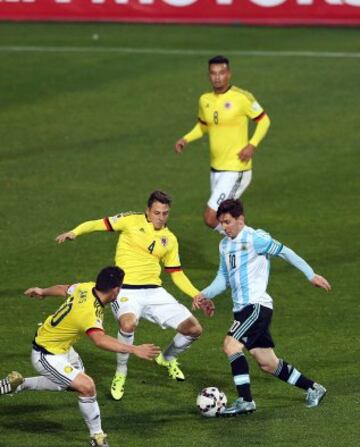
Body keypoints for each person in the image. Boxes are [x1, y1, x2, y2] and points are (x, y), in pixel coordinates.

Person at [55, 191, 212, 401]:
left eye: (165, 213)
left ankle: (167, 358)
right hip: (125, 290)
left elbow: (176, 272)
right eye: (157, 212)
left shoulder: (170, 239)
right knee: (128, 325)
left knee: (194, 329)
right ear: (148, 211)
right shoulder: (130, 220)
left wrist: (196, 294)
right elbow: (99, 223)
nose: (161, 217)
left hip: (154, 291)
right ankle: (121, 373)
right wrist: (75, 232)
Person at [193, 199, 331, 416]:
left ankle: (245, 401)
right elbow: (223, 278)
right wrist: (203, 294)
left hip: (256, 306)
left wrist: (310, 274)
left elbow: (286, 251)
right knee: (268, 363)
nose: (224, 227)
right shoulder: (225, 245)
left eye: (228, 222)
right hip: (242, 310)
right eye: (221, 223)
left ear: (241, 219)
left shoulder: (255, 239)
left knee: (230, 346)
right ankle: (313, 388)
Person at [0, 266, 160, 447]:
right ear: (115, 289)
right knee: (86, 386)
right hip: (47, 355)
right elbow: (99, 340)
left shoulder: (87, 287)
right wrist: (134, 349)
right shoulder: (89, 313)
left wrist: (42, 291)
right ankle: (97, 436)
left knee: (71, 383)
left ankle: (19, 384)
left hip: (62, 347)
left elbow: (63, 289)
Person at [175, 55, 271, 233]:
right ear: (208, 75)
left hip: (236, 169)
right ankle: (244, 250)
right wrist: (186, 139)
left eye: (221, 72)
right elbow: (204, 126)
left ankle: (252, 244)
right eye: (213, 73)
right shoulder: (205, 100)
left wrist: (252, 145)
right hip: (216, 170)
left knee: (212, 217)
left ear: (229, 74)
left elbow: (264, 120)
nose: (217, 77)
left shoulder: (242, 97)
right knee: (230, 220)